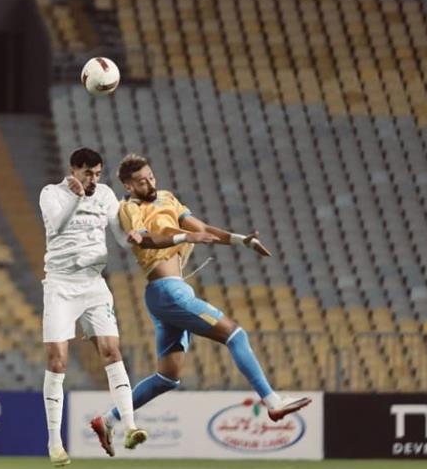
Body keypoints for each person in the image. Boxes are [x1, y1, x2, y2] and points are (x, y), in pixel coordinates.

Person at [90, 154, 311, 449]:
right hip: (167, 291)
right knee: (235, 335)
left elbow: (203, 229)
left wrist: (241, 240)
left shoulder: (168, 198)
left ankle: (107, 419)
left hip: (171, 293)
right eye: (142, 182)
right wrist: (183, 238)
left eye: (151, 177)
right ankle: (272, 402)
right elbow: (145, 238)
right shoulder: (130, 208)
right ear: (129, 186)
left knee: (167, 377)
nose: (150, 184)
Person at [38, 148, 147, 465]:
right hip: (60, 285)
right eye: (88, 173)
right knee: (57, 361)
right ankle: (55, 443)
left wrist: (135, 236)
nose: (93, 179)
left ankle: (130, 427)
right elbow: (57, 226)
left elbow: (120, 237)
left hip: (93, 284)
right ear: (74, 169)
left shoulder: (105, 195)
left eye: (98, 174)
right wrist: (76, 197)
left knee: (112, 351)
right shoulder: (51, 193)